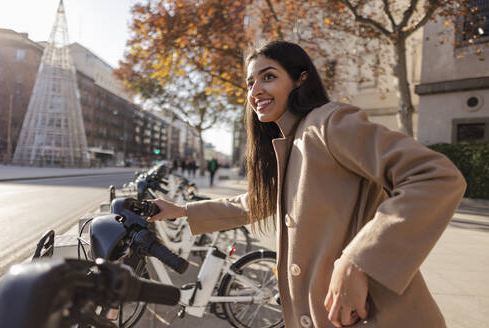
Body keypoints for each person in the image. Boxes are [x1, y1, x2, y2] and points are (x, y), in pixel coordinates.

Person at [148, 41, 466, 328]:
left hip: (376, 314)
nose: (255, 89)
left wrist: (358, 261)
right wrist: (182, 210)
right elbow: (257, 202)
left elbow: (434, 175)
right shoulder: (289, 143)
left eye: (268, 76)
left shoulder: (328, 123)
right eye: (250, 82)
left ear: (300, 79)